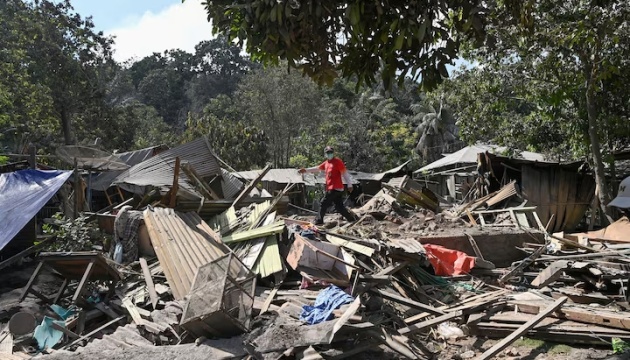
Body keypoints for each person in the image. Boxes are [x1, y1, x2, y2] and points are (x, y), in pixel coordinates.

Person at [299, 146, 357, 225]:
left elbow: (345, 173)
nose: (329, 154)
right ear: (325, 154)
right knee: (339, 207)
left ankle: (319, 220)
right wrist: (305, 170)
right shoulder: (326, 163)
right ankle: (351, 219)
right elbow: (317, 168)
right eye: (328, 153)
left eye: (331, 152)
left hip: (335, 187)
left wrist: (350, 185)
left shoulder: (338, 162)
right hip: (333, 188)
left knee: (323, 203)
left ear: (333, 153)